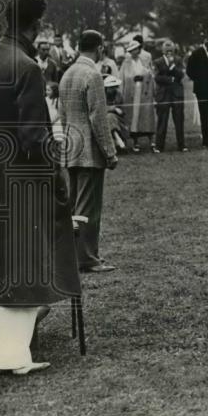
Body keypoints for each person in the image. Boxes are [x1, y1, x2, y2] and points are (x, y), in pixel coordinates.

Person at [0, 0, 81, 375]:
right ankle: (14, 356)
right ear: (35, 25)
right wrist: (57, 177)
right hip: (19, 182)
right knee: (23, 262)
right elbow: (34, 138)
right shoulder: (27, 66)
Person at [59, 28, 120, 274]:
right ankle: (87, 258)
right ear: (100, 48)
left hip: (72, 148)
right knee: (88, 208)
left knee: (75, 205)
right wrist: (110, 152)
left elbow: (63, 116)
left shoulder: (67, 73)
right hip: (90, 152)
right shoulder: (92, 74)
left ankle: (75, 255)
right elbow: (98, 117)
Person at [118, 39, 157, 152]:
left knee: (147, 116)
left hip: (144, 92)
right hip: (132, 92)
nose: (133, 52)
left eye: (135, 49)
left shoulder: (145, 60)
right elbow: (122, 78)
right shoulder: (126, 63)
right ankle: (136, 142)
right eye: (131, 50)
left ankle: (151, 141)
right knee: (134, 117)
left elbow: (150, 74)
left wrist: (144, 77)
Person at [154, 40, 188, 153]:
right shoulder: (157, 62)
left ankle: (182, 145)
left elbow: (181, 74)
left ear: (174, 50)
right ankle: (159, 146)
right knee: (162, 121)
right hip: (163, 95)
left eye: (171, 49)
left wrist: (172, 67)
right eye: (166, 49)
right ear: (162, 50)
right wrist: (171, 79)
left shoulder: (178, 60)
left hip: (176, 94)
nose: (169, 51)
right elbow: (157, 78)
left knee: (179, 120)